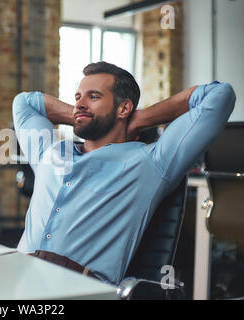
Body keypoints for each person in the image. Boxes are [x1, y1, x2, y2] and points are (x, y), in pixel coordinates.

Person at [12, 61, 236, 285]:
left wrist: (142, 118)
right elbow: (24, 103)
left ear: (124, 108)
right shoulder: (49, 153)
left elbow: (220, 96)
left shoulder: (150, 162)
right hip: (18, 273)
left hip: (75, 287)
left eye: (94, 96)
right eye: (78, 96)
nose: (79, 104)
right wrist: (81, 115)